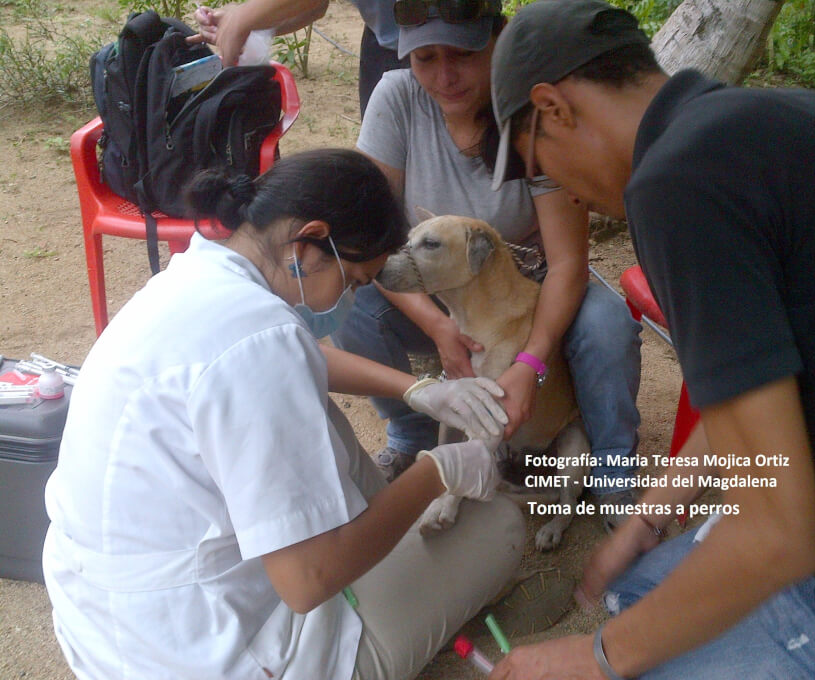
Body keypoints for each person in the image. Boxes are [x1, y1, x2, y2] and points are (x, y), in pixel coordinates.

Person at [485, 1, 815, 678]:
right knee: (636, 588)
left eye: (541, 164)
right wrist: (651, 515)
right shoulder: (784, 118)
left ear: (553, 107)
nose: (566, 195)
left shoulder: (673, 184)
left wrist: (593, 659)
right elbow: (764, 386)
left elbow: (779, 536)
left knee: (630, 649)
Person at [42, 149, 526, 680]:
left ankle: (380, 550)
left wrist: (416, 390)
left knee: (320, 416)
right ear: (308, 241)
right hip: (212, 654)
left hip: (110, 623)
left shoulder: (200, 275)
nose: (350, 294)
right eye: (356, 280)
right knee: (501, 527)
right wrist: (436, 473)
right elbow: (307, 581)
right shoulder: (262, 345)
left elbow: (292, 354)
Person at [331, 3, 644, 510]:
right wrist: (438, 327)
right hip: (432, 281)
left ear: (497, 41)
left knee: (607, 323)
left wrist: (529, 362)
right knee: (357, 307)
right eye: (426, 58)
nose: (445, 76)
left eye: (463, 54)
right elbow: (371, 242)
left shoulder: (530, 112)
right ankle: (412, 437)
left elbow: (567, 264)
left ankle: (611, 469)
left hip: (525, 292)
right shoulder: (397, 97)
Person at [192, 0, 407, 117]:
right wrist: (251, 23)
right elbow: (315, 7)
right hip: (382, 44)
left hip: (427, 43)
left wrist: (243, 19)